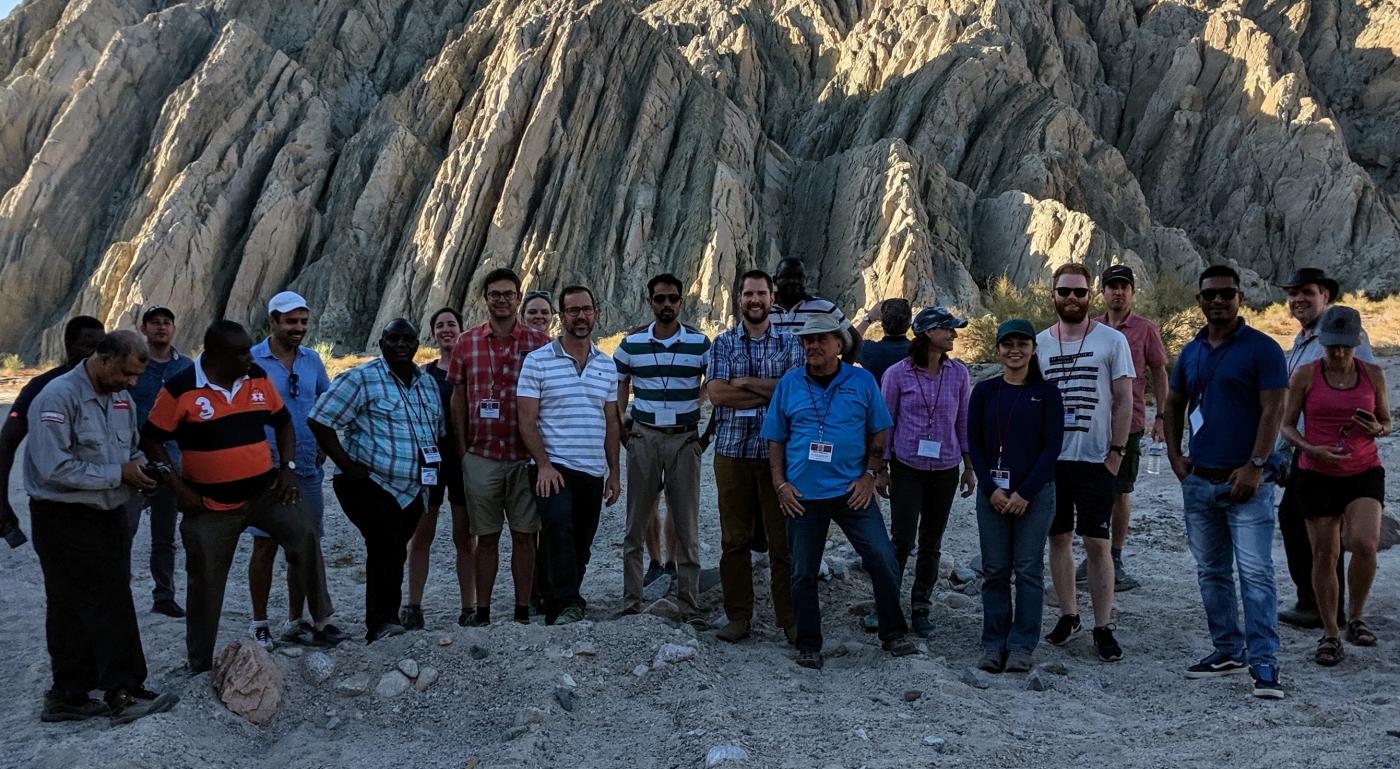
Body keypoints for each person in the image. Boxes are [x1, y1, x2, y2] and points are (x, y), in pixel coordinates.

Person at [142, 321, 344, 671]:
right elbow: (151, 438)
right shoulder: (181, 388)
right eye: (240, 352)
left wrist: (288, 469)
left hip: (263, 492)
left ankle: (322, 619)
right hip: (208, 505)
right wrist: (176, 487)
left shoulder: (256, 379)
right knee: (205, 580)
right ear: (215, 355)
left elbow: (282, 422)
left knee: (305, 533)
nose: (249, 357)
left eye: (249, 349)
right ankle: (200, 662)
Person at [25, 330, 179, 724]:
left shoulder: (121, 400)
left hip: (106, 513)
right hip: (64, 517)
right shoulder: (58, 397)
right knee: (107, 601)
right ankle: (123, 693)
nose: (132, 383)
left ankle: (69, 695)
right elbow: (52, 467)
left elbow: (128, 450)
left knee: (72, 606)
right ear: (104, 359)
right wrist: (119, 473)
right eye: (126, 374)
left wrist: (143, 469)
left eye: (136, 377)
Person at [762, 314, 917, 669]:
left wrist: (869, 475)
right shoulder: (790, 383)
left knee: (882, 557)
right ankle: (808, 644)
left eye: (821, 339)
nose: (812, 346)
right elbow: (776, 438)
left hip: (853, 492)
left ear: (838, 345)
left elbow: (880, 431)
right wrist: (780, 484)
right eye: (807, 341)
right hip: (802, 496)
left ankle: (893, 633)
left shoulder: (861, 380)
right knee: (802, 571)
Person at [1164, 264, 1288, 699]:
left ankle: (1265, 662)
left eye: (1226, 294)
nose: (1218, 301)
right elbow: (1174, 401)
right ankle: (1227, 650)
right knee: (1212, 572)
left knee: (1256, 574)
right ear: (1199, 300)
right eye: (1210, 295)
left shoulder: (1263, 349)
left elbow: (1274, 409)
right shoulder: (1192, 350)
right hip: (1199, 481)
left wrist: (1256, 464)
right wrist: (1174, 455)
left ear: (1240, 299)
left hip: (1247, 484)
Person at [309, 319, 443, 641]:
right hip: (369, 483)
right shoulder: (361, 378)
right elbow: (320, 418)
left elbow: (436, 432)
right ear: (381, 342)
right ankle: (382, 623)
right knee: (385, 542)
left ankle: (386, 619)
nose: (401, 345)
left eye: (407, 339)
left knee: (394, 549)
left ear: (416, 343)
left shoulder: (427, 383)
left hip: (412, 488)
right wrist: (346, 464)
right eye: (393, 338)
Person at [1278, 306, 1390, 665]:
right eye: (1331, 346)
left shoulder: (1373, 374)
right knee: (1324, 553)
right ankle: (1330, 631)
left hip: (1363, 469)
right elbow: (1287, 425)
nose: (1338, 353)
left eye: (1344, 346)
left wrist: (1378, 429)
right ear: (1322, 343)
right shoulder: (1307, 375)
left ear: (1357, 341)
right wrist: (1311, 448)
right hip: (1316, 472)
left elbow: (1387, 422)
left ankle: (1356, 616)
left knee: (1364, 542)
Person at [1037, 262, 1133, 662]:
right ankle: (1069, 614)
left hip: (1096, 459)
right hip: (1052, 458)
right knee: (1057, 538)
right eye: (1064, 292)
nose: (1071, 299)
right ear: (1053, 295)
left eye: (1079, 292)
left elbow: (1125, 398)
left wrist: (1116, 453)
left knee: (1097, 541)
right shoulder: (1040, 342)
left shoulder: (1112, 341)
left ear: (1090, 295)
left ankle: (1103, 624)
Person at [705, 270, 804, 643]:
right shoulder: (723, 343)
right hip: (732, 453)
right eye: (748, 294)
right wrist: (769, 393)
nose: (754, 300)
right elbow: (717, 394)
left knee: (783, 542)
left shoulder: (791, 343)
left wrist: (743, 382)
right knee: (734, 540)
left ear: (772, 297)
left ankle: (789, 619)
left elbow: (793, 394)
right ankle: (738, 616)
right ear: (739, 299)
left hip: (777, 456)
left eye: (761, 293)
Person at [1274, 268, 1376, 629]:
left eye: (1307, 292)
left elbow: (1365, 390)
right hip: (1302, 450)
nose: (1298, 299)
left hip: (1331, 455)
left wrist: (1344, 440)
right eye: (1293, 293)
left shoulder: (1345, 336)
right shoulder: (1301, 340)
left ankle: (1319, 607)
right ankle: (1319, 603)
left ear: (1325, 297)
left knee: (1314, 527)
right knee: (1300, 523)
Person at [517, 286, 622, 625]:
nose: (580, 316)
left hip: (591, 469)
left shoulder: (606, 366)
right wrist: (544, 465)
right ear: (562, 316)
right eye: (573, 310)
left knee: (582, 541)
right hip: (553, 467)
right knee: (557, 528)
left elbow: (611, 421)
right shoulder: (538, 362)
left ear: (596, 313)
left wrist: (615, 473)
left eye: (586, 309)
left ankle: (554, 597)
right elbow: (526, 419)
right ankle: (567, 603)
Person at [451, 269, 550, 626]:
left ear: (518, 297)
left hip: (524, 457)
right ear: (485, 298)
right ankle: (484, 611)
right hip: (483, 456)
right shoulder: (467, 342)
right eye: (495, 294)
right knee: (486, 537)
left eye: (509, 294)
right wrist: (463, 450)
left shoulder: (540, 343)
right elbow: (458, 399)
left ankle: (522, 611)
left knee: (526, 537)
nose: (502, 299)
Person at [967, 319, 1063, 673]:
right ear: (998, 349)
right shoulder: (985, 391)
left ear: (1033, 350)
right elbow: (973, 443)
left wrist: (1025, 492)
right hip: (993, 495)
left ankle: (1022, 644)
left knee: (1027, 571)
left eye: (1023, 343)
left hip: (1034, 495)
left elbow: (1052, 447)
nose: (1015, 350)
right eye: (1008, 344)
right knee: (994, 571)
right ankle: (993, 644)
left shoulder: (1048, 393)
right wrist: (990, 489)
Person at [615, 273, 711, 621]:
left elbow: (715, 385)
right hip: (644, 437)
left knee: (686, 523)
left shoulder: (701, 344)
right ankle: (631, 602)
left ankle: (690, 604)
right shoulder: (631, 344)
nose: (667, 304)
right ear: (649, 302)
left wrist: (705, 435)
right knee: (634, 522)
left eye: (673, 298)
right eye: (660, 299)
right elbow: (620, 386)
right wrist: (624, 430)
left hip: (685, 439)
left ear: (681, 302)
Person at [875, 306, 974, 638]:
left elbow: (963, 422)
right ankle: (887, 605)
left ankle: (921, 605)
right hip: (907, 468)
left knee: (932, 541)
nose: (954, 335)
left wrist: (968, 466)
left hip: (945, 469)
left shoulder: (959, 374)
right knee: (901, 539)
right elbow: (885, 422)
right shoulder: (898, 374)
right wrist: (881, 468)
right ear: (929, 333)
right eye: (948, 329)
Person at [246, 291, 337, 648]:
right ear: (273, 321)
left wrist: (325, 450)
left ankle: (297, 619)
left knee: (305, 546)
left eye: (302, 321)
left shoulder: (313, 361)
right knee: (265, 545)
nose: (298, 328)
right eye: (290, 321)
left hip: (308, 471)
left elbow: (326, 405)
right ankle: (259, 622)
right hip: (265, 471)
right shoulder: (253, 361)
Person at [1075, 265, 1169, 592]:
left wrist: (1162, 417)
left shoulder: (1145, 330)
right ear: (1102, 292)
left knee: (1120, 490)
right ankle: (1093, 552)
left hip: (1130, 423)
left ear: (1132, 291)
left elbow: (1159, 371)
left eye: (1124, 286)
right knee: (1090, 488)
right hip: (1092, 422)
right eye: (1112, 286)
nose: (1118, 292)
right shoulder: (1091, 328)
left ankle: (1115, 556)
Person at [0, 316, 105, 549]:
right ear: (69, 346)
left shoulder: (113, 388)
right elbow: (6, 443)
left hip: (105, 506)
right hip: (56, 507)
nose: (96, 354)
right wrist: (2, 501)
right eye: (88, 347)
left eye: (101, 348)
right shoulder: (42, 387)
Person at [404, 307, 477, 629]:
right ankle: (413, 605)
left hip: (462, 462)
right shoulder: (423, 374)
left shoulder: (472, 371)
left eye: (452, 324)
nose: (447, 330)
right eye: (441, 325)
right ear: (433, 333)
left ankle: (470, 607)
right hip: (430, 463)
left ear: (461, 330)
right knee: (422, 535)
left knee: (465, 538)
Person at [122, 306, 192, 617]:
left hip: (172, 461)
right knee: (124, 531)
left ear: (174, 328)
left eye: (166, 322)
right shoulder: (133, 365)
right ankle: (117, 594)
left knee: (164, 536)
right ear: (144, 328)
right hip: (132, 461)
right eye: (155, 323)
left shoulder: (187, 368)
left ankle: (164, 596)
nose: (161, 328)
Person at [771, 257, 862, 362]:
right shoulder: (762, 310)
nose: (794, 281)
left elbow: (856, 339)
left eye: (799, 277)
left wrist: (843, 373)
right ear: (775, 280)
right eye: (787, 277)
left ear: (806, 280)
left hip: (812, 377)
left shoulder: (824, 307)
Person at [855, 299, 912, 385]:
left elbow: (852, 341)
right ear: (908, 324)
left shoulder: (870, 351)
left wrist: (869, 318)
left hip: (880, 398)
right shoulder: (918, 351)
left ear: (882, 324)